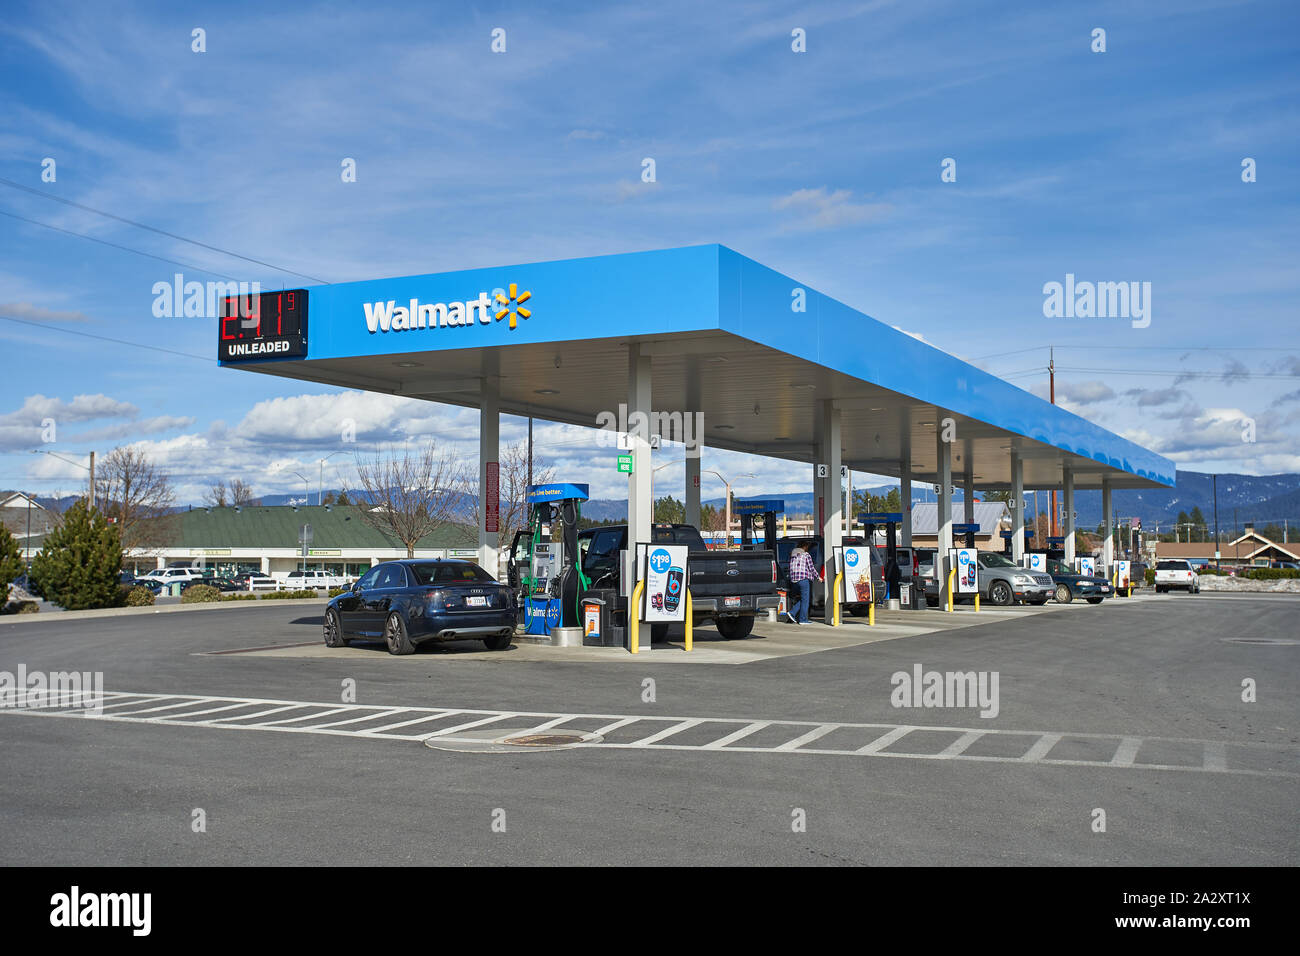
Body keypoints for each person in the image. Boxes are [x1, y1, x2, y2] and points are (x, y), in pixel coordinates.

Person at [787, 540, 816, 625]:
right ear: (805, 547)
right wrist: (818, 577)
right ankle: (803, 620)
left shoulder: (793, 555)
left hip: (794, 580)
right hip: (803, 579)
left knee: (804, 599)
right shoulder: (806, 555)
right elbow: (811, 568)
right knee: (806, 600)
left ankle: (792, 612)